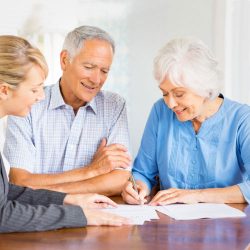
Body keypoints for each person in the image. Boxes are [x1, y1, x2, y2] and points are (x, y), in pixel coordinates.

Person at [0, 35, 130, 233]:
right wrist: (78, 214)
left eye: (104, 71)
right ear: (4, 90)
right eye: (35, 89)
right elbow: (3, 214)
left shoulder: (114, 105)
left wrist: (66, 199)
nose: (42, 96)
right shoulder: (25, 112)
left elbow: (7, 192)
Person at [122, 37, 250, 205]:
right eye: (165, 93)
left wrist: (196, 195)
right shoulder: (160, 112)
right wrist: (138, 187)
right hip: (169, 224)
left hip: (227, 227)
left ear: (205, 87)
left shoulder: (242, 119)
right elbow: (143, 172)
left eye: (179, 94)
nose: (170, 103)